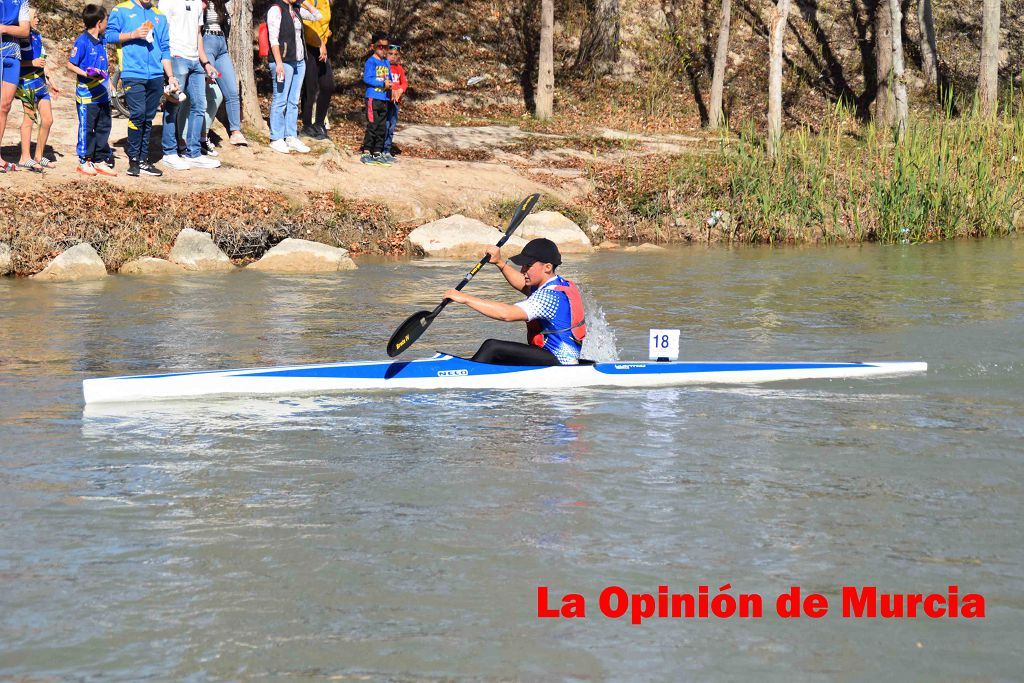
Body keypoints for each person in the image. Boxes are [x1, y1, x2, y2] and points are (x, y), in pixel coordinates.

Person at [442, 238, 587, 366]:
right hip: (555, 358)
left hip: (558, 364)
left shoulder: (549, 297)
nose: (523, 270)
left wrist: (465, 298)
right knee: (496, 352)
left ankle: (468, 375)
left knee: (492, 347)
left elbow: (507, 314)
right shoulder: (556, 283)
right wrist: (499, 262)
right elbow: (522, 284)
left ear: (547, 267)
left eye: (527, 266)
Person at [105, 0, 174, 177]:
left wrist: (171, 76)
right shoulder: (121, 10)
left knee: (148, 118)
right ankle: (134, 160)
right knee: (138, 114)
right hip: (132, 72)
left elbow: (165, 48)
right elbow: (108, 35)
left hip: (156, 75)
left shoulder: (159, 16)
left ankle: (144, 160)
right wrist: (133, 34)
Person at [160, 0, 221, 170]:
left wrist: (205, 62)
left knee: (200, 105)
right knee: (173, 106)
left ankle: (193, 153)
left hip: (195, 61)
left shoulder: (197, 4)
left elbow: (198, 34)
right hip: (176, 57)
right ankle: (169, 152)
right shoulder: (167, 2)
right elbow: (161, 32)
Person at [66, 4, 116, 177]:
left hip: (103, 94)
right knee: (87, 127)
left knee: (104, 126)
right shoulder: (82, 41)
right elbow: (70, 64)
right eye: (106, 20)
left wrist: (109, 81)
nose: (107, 24)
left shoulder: (102, 39)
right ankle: (84, 160)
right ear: (99, 22)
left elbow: (103, 63)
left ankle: (100, 159)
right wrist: (87, 74)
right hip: (87, 95)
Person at [267, 0, 321, 154]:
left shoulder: (296, 9)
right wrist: (278, 63)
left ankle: (290, 136)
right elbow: (273, 40)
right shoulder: (276, 9)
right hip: (283, 61)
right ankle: (276, 137)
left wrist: (305, 3)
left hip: (299, 61)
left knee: (293, 101)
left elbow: (317, 16)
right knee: (281, 98)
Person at [17, 7, 59, 171]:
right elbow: (14, 62)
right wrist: (31, 63)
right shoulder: (20, 38)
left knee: (48, 119)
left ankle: (38, 156)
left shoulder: (38, 36)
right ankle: (24, 157)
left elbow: (42, 61)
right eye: (35, 17)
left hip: (41, 82)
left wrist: (51, 80)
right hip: (26, 83)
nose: (38, 19)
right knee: (29, 118)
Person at [200, 0, 247, 145]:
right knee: (208, 89)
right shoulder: (200, 3)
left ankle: (235, 131)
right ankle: (202, 133)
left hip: (222, 45)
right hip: (206, 42)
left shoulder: (220, 3)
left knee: (232, 91)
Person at [0, 0, 30, 173]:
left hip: (12, 53)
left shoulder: (22, 1)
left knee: (5, 106)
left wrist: (4, 28)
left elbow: (24, 30)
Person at [299, 0, 331, 140]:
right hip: (308, 46)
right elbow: (307, 24)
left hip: (321, 47)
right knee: (310, 87)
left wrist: (326, 36)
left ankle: (319, 124)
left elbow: (324, 22)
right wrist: (320, 43)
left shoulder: (325, 1)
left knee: (328, 85)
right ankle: (307, 125)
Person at [360, 31, 391, 165]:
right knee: (373, 125)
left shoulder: (386, 63)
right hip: (373, 98)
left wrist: (390, 86)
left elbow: (388, 78)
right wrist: (382, 83)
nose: (383, 49)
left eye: (386, 47)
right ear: (373, 46)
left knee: (382, 126)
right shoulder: (371, 62)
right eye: (380, 46)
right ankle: (367, 151)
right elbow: (367, 78)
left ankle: (378, 151)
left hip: (384, 98)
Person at [381, 42, 406, 163]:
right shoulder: (384, 67)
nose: (393, 56)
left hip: (395, 102)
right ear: (386, 54)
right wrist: (390, 90)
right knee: (384, 125)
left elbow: (404, 83)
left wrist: (400, 90)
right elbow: (382, 81)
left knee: (391, 126)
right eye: (390, 54)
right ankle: (379, 149)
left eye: (396, 54)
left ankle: (387, 149)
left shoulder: (399, 69)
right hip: (385, 100)